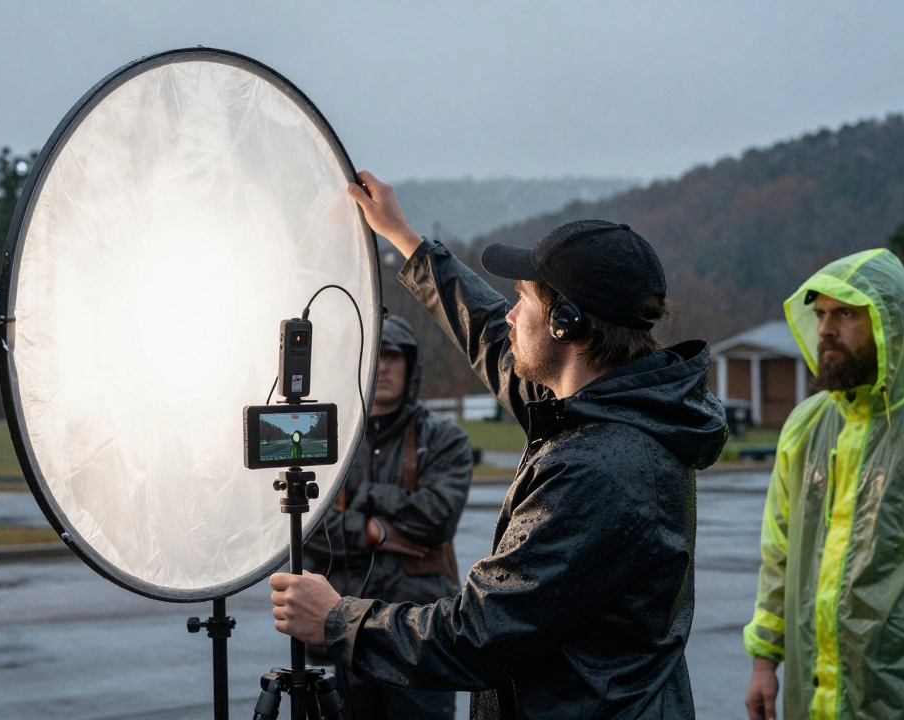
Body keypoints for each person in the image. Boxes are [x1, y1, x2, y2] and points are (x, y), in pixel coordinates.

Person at [270, 172, 728, 718]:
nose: (510, 314)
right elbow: (490, 332)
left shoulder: (597, 469)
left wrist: (339, 620)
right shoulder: (606, 410)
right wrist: (407, 241)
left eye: (522, 299)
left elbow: (481, 634)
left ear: (565, 322)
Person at [743, 249, 904, 720]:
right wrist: (764, 660)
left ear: (890, 322)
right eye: (821, 313)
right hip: (812, 699)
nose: (825, 329)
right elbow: (779, 553)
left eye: (845, 312)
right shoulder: (806, 425)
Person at [303, 314, 474, 720]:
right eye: (375, 355)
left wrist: (365, 496)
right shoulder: (328, 438)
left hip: (419, 639)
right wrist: (370, 531)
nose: (382, 366)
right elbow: (305, 528)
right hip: (341, 634)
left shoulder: (444, 439)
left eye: (393, 356)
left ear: (410, 365)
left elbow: (438, 518)